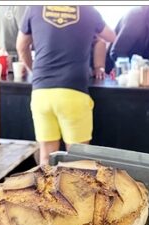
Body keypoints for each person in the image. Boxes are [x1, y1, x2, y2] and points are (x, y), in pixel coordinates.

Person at [17, 6, 116, 164]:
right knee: (78, 161)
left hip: (41, 93)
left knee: (46, 158)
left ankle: (46, 189)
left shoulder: (34, 8)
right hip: (73, 92)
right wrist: (91, 33)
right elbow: (111, 36)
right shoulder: (88, 10)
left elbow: (21, 47)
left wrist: (35, 71)